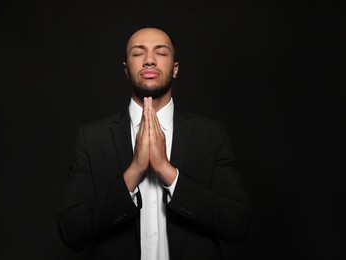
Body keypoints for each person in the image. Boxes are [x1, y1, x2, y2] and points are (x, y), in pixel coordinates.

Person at [58, 26, 251, 260]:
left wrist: (167, 171)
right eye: (138, 53)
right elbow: (72, 231)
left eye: (160, 52)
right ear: (126, 70)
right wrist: (134, 171)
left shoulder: (211, 135)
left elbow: (237, 224)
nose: (149, 60)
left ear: (175, 68)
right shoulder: (92, 139)